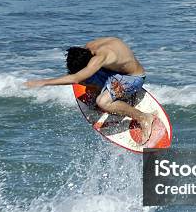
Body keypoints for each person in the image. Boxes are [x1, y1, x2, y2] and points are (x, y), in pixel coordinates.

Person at [24, 37, 155, 143]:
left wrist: (43, 82)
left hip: (133, 77)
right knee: (84, 80)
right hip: (113, 71)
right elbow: (78, 75)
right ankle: (112, 94)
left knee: (102, 102)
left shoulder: (100, 58)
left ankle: (143, 117)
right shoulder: (88, 48)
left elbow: (75, 78)